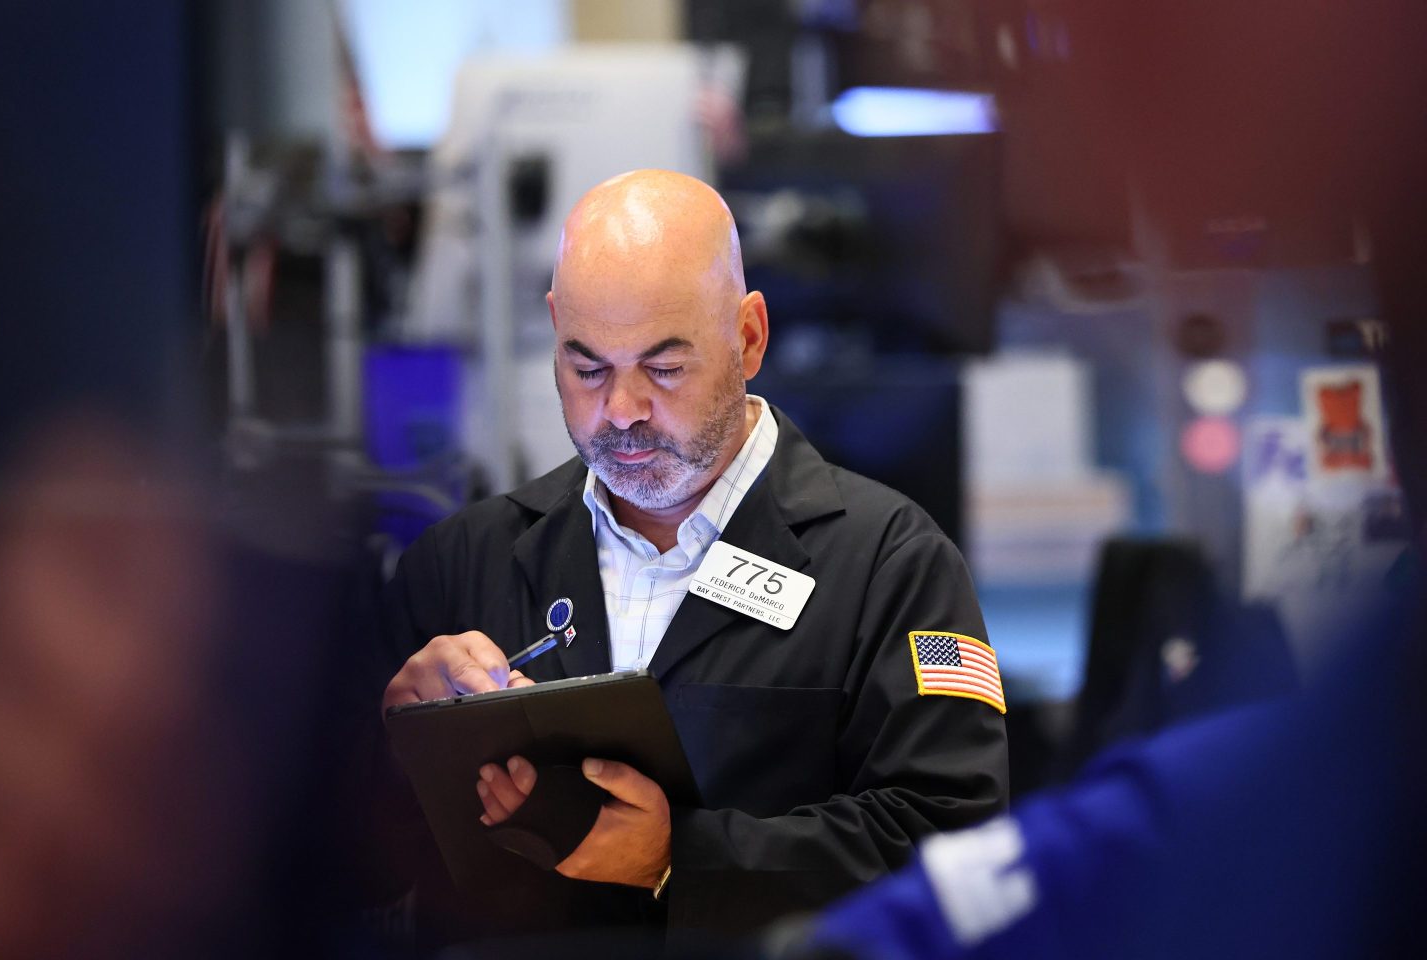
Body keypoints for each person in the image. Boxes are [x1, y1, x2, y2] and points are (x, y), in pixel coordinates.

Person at [375, 169, 1008, 949]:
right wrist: (392, 743)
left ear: (749, 336)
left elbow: (956, 850)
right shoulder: (460, 564)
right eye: (587, 368)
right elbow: (326, 865)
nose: (622, 411)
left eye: (665, 368)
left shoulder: (891, 564)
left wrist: (686, 859)